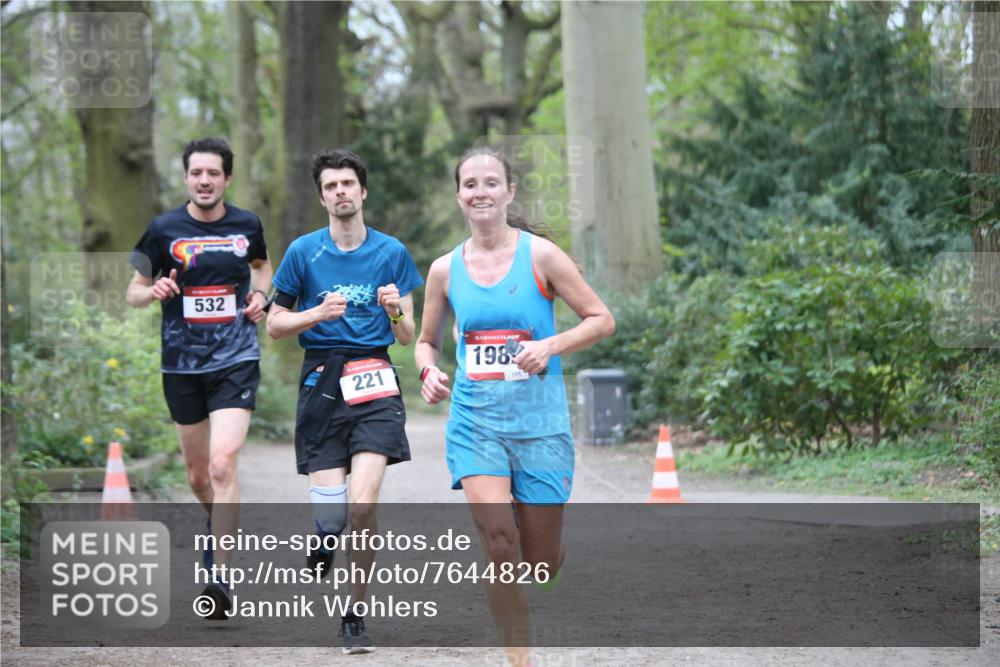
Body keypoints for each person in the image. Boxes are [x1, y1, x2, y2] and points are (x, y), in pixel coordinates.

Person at [414, 147, 615, 666]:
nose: (480, 192)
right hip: (476, 422)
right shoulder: (443, 270)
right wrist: (428, 371)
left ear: (509, 191)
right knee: (499, 543)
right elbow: (426, 340)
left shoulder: (541, 256)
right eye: (470, 184)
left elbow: (600, 319)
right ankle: (518, 661)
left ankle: (547, 558)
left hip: (540, 424)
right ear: (459, 195)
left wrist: (549, 345)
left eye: (490, 182)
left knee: (539, 563)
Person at [266, 148, 422, 654]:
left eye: (348, 184)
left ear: (363, 191)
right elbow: (273, 325)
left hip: (375, 378)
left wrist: (396, 311)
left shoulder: (392, 252)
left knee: (363, 506)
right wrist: (315, 314)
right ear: (322, 197)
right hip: (321, 381)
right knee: (334, 518)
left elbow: (406, 336)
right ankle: (323, 533)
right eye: (331, 186)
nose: (340, 192)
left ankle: (353, 612)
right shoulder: (302, 252)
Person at [126, 137, 273, 619]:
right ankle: (223, 527)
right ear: (186, 178)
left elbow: (261, 268)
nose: (204, 181)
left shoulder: (247, 224)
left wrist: (261, 297)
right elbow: (133, 290)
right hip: (181, 366)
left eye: (213, 173)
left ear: (226, 178)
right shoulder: (162, 228)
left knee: (222, 464)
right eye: (196, 173)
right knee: (197, 476)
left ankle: (220, 575)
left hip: (235, 358)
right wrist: (154, 292)